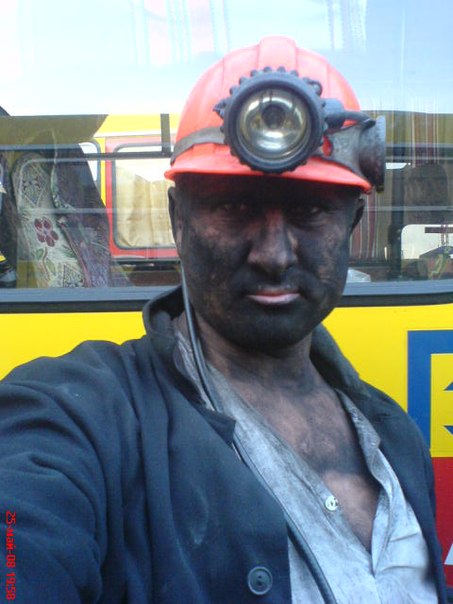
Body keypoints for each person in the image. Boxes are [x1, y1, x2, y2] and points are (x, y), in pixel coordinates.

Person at [0, 36, 447, 603]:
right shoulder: (83, 416)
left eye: (311, 210)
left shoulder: (395, 435)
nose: (274, 255)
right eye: (234, 207)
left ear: (352, 224)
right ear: (178, 220)